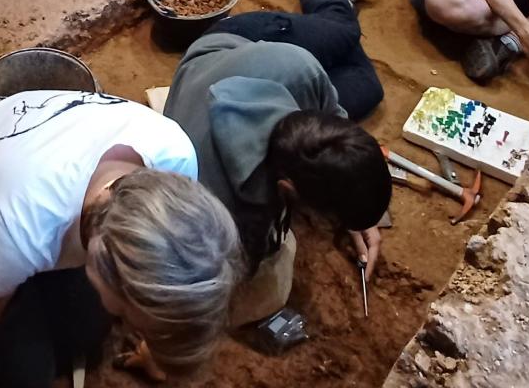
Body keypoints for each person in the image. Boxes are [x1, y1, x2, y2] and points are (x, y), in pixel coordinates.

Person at [0, 89, 241, 388]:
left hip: (38, 194)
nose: (128, 326)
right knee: (25, 376)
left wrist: (163, 343)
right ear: (97, 264)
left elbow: (177, 270)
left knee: (85, 338)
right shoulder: (19, 226)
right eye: (128, 317)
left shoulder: (174, 161)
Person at [162, 26, 391, 322]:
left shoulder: (303, 71)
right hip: (211, 46)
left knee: (362, 78)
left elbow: (338, 123)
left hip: (242, 50)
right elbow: (204, 293)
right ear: (288, 189)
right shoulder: (219, 212)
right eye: (328, 222)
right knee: (343, 34)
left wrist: (358, 208)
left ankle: (339, 17)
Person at [203, 0, 383, 118]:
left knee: (343, 30)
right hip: (265, 90)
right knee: (367, 87)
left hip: (230, 44)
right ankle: (341, 8)